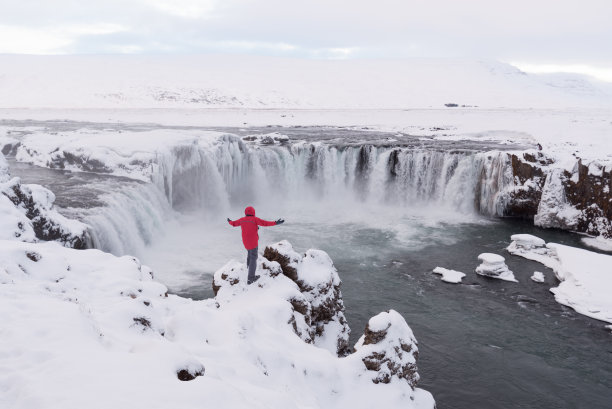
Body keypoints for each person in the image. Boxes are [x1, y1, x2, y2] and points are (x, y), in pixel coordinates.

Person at [227, 206, 284, 284]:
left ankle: (248, 267)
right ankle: (251, 278)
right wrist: (275, 223)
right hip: (253, 242)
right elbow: (265, 223)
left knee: (249, 254)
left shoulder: (242, 220)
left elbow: (233, 224)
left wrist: (229, 221)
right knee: (254, 257)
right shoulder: (255, 219)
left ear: (246, 213)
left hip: (245, 242)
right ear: (253, 212)